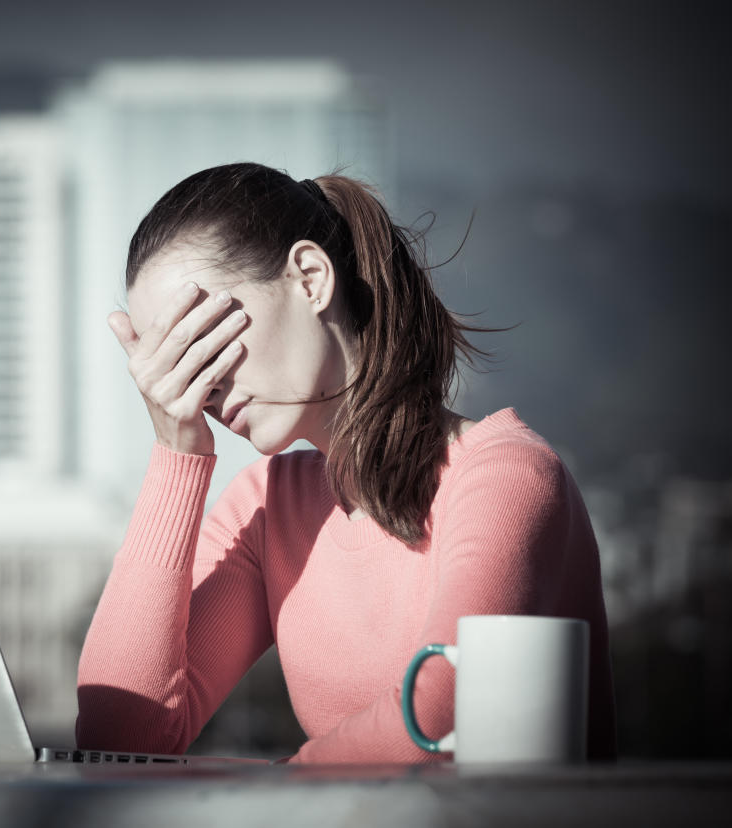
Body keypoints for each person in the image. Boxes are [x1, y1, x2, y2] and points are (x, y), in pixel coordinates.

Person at [75, 162, 616, 763]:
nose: (197, 383)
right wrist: (176, 452)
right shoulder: (264, 506)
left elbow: (440, 717)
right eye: (170, 359)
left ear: (310, 278)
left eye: (200, 337)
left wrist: (266, 800)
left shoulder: (503, 476)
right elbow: (121, 736)